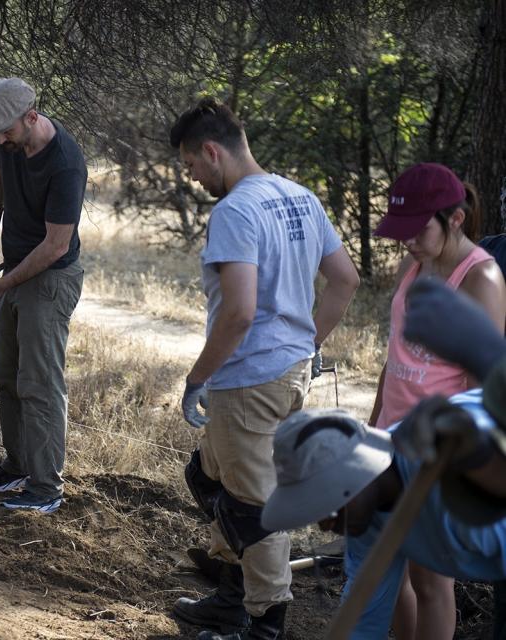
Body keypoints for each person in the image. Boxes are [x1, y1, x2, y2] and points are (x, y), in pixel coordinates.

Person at [168, 98, 360, 640]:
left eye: (191, 166)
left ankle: (263, 624)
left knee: (255, 507)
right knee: (209, 477)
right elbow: (345, 280)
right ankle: (230, 598)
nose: (193, 178)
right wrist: (309, 341)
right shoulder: (299, 197)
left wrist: (196, 378)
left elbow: (240, 312)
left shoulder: (234, 211)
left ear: (212, 151)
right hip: (289, 371)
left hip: (247, 378)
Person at [368, 162, 506, 640]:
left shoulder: (481, 279)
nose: (406, 241)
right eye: (400, 231)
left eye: (417, 229)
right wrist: (373, 428)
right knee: (388, 566)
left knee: (430, 579)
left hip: (437, 453)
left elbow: (480, 388)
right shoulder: (418, 261)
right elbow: (397, 352)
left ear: (456, 219)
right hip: (392, 438)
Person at [260, 390, 506, 640]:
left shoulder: (454, 488)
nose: (325, 525)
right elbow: (364, 620)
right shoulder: (362, 516)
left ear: (357, 474)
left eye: (327, 505)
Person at [0, 78, 85, 514]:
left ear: (32, 117)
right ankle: (16, 465)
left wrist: (0, 284)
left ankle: (45, 487)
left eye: (6, 132)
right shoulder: (6, 144)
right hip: (14, 271)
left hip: (50, 280)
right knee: (7, 375)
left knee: (39, 385)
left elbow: (55, 245)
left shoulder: (65, 163)